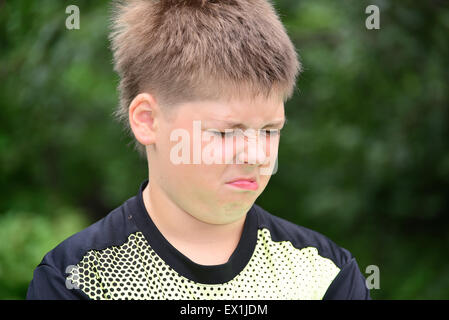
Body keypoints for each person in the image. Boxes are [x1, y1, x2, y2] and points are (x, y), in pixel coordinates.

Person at [27, 0, 371, 300]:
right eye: (224, 132)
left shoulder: (324, 275)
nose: (255, 155)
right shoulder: (78, 280)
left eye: (269, 130)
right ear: (148, 120)